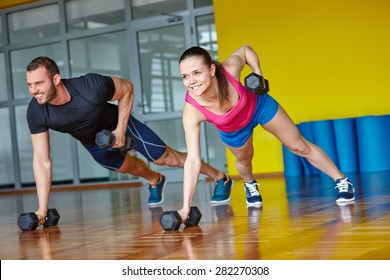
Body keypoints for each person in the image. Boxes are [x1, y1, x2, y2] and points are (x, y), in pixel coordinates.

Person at [25, 56, 233, 226]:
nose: (34, 90)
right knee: (128, 167)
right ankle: (155, 180)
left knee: (165, 158)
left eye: (39, 83)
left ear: (56, 79)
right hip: (93, 142)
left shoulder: (89, 86)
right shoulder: (36, 111)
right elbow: (42, 160)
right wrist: (42, 208)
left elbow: (126, 88)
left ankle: (219, 177)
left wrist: (120, 130)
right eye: (30, 85)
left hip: (120, 124)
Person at [176, 45, 355, 222]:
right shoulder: (192, 110)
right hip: (234, 128)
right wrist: (185, 207)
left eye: (197, 73)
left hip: (259, 106)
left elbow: (245, 50)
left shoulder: (230, 70)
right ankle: (250, 184)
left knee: (299, 145)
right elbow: (192, 160)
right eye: (185, 76)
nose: (191, 81)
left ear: (212, 69)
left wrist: (258, 73)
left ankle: (342, 181)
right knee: (244, 161)